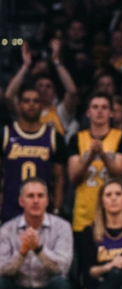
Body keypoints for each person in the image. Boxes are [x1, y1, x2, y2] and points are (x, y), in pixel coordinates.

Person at [67, 93, 122, 241]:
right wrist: (90, 156)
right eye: (95, 107)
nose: (100, 111)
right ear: (88, 113)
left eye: (104, 107)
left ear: (111, 113)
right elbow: (74, 177)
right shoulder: (76, 139)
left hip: (113, 216)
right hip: (84, 215)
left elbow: (119, 173)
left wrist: (102, 154)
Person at [1, 85, 68, 222]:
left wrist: (56, 209)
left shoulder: (54, 137)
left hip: (43, 214)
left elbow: (59, 179)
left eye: (35, 101)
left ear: (42, 105)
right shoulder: (5, 135)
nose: (31, 105)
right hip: (9, 212)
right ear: (19, 105)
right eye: (26, 101)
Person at [4, 40, 78, 137]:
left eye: (48, 86)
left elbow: (72, 92)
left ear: (54, 92)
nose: (44, 89)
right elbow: (9, 96)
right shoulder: (26, 111)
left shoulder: (60, 112)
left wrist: (56, 62)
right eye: (40, 86)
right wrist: (26, 65)